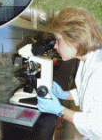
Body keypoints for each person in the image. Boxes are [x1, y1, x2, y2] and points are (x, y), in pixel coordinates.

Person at [37, 7, 102, 139]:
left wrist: (60, 110)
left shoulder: (99, 70)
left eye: (58, 40)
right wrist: (64, 94)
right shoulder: (87, 60)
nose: (55, 46)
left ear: (75, 38)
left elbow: (97, 126)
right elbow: (89, 92)